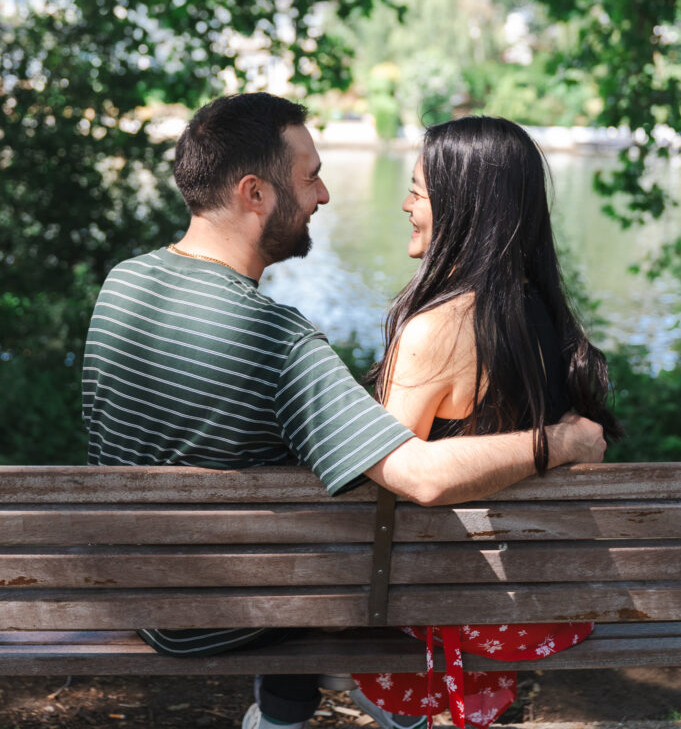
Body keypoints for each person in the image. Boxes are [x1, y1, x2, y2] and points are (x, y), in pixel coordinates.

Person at [82, 94, 607, 729]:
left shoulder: (123, 284)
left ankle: (286, 713)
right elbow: (420, 476)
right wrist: (559, 442)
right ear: (255, 193)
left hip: (135, 595)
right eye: (310, 177)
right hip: (221, 620)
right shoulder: (278, 341)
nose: (326, 195)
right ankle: (359, 709)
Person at [350, 116, 623, 729]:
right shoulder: (547, 316)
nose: (405, 204)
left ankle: (286, 710)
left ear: (462, 206)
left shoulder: (436, 330)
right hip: (544, 610)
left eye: (418, 191)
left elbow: (390, 481)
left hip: (443, 610)